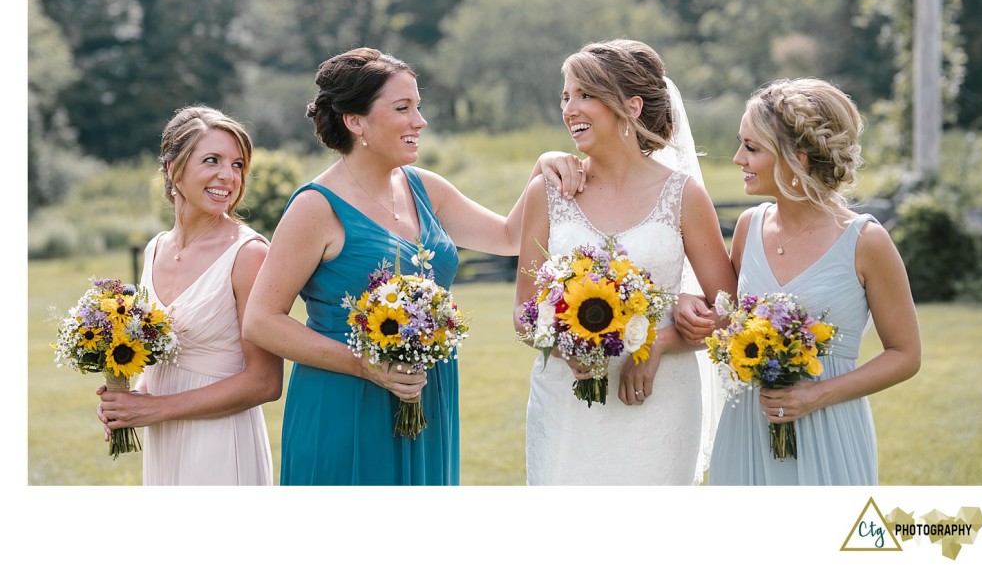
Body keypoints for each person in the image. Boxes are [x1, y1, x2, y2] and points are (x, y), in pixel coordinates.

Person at [242, 46, 584, 486]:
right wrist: (366, 365)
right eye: (403, 108)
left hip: (428, 393)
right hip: (346, 401)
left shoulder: (425, 188)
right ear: (356, 121)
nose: (419, 121)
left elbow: (509, 238)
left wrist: (542, 168)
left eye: (418, 107)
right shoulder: (315, 208)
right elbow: (261, 321)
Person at [513, 39, 737, 485]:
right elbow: (524, 312)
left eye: (586, 94)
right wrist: (565, 347)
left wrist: (659, 343)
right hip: (566, 404)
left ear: (632, 107)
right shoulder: (549, 192)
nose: (569, 108)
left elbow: (729, 313)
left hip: (657, 402)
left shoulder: (683, 195)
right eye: (566, 96)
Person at [676, 78, 921, 485]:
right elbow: (730, 321)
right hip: (747, 425)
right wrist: (690, 302)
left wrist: (816, 395)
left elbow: (905, 355)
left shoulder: (866, 241)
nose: (738, 158)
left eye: (751, 148)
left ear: (798, 159)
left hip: (829, 429)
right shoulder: (748, 226)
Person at [97, 106, 282, 485]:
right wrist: (128, 402)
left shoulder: (249, 255)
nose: (227, 177)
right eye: (211, 160)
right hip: (165, 441)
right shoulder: (155, 249)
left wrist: (157, 409)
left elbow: (266, 382)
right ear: (172, 169)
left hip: (222, 440)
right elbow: (161, 356)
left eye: (237, 165)